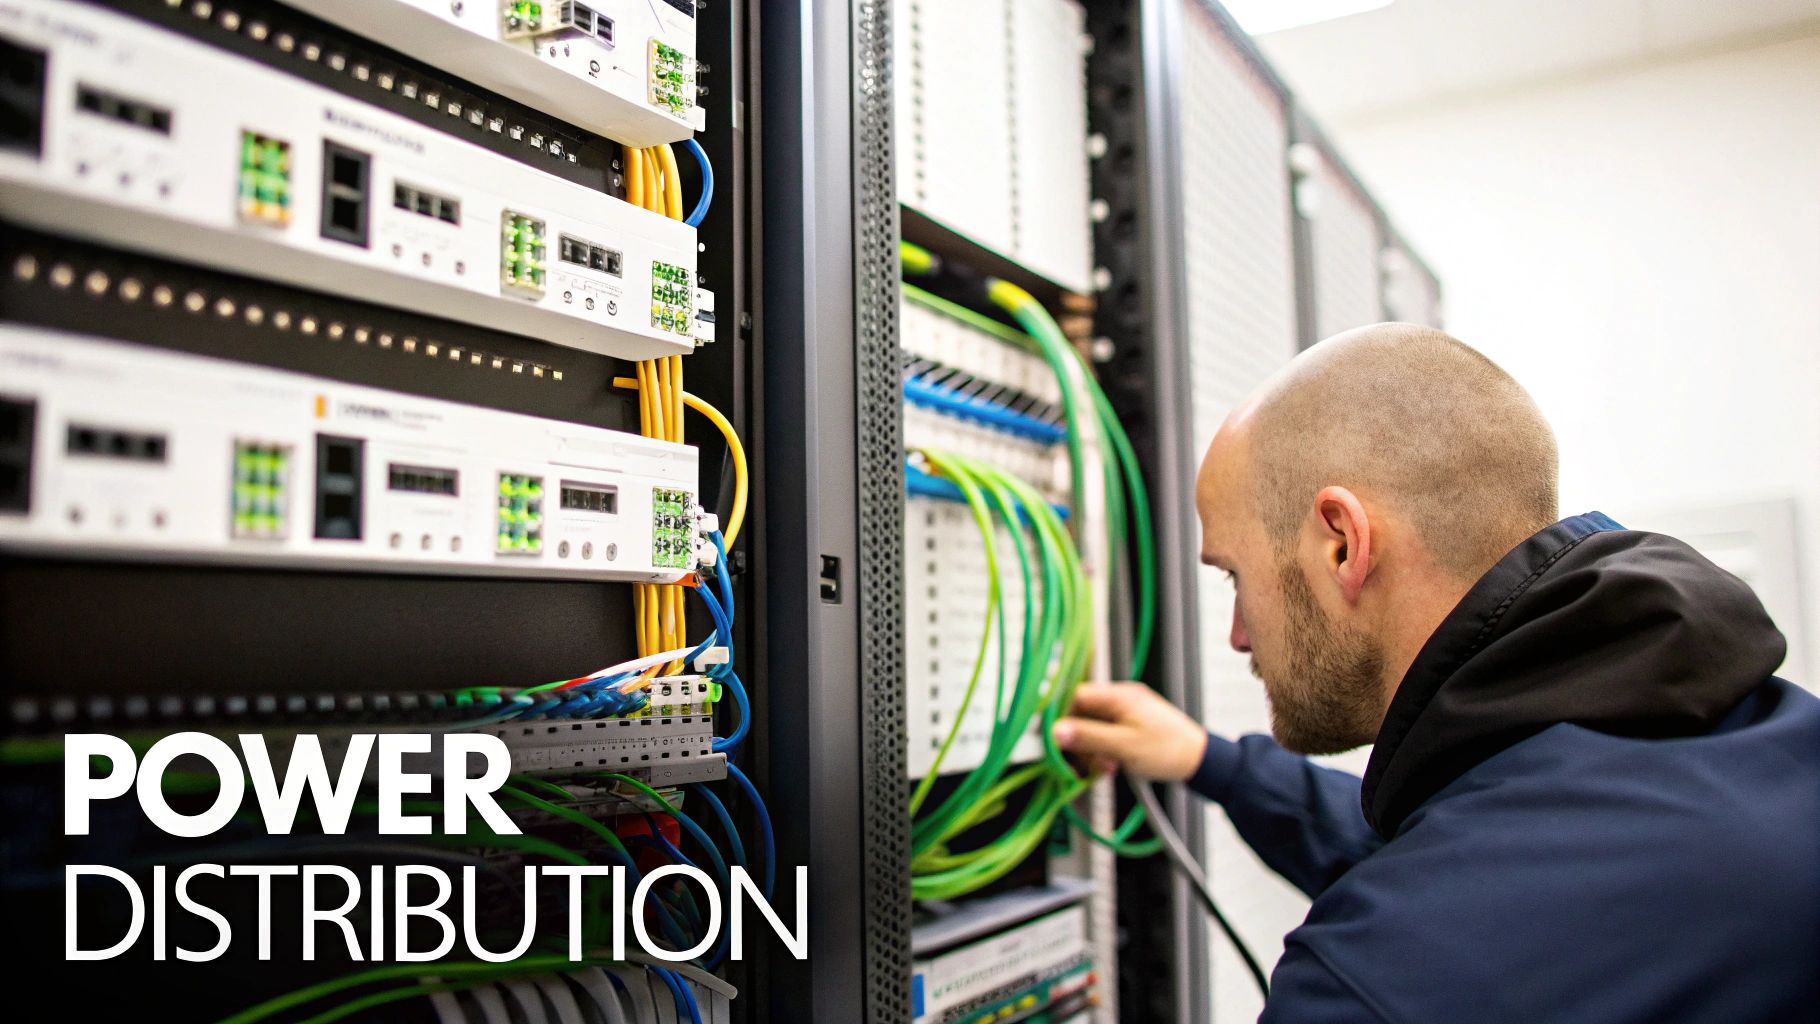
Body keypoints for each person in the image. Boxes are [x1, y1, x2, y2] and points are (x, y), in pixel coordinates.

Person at [1054, 323, 1820, 1022]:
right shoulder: (1746, 739)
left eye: (1234, 577)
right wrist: (1207, 761)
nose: (1236, 635)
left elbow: (1451, 898)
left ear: (1343, 545)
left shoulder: (1375, 981)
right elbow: (1473, 855)